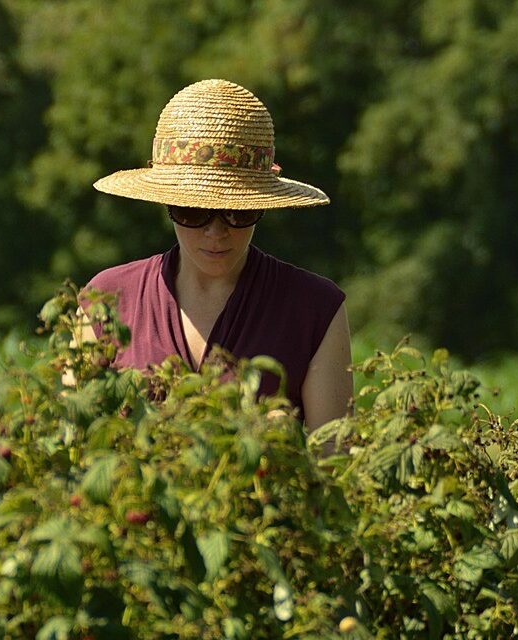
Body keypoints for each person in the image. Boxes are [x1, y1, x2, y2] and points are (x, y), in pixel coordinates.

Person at [77, 79, 352, 431]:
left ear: (262, 206)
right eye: (193, 212)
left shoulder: (313, 308)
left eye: (238, 213)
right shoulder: (108, 299)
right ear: (167, 203)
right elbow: (77, 444)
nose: (216, 232)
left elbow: (334, 460)